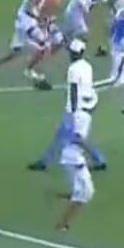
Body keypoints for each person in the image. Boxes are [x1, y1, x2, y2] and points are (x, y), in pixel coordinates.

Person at [29, 39, 108, 172]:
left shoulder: (73, 69)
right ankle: (44, 161)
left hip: (78, 107)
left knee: (78, 138)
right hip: (88, 103)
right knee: (62, 135)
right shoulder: (87, 65)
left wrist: (72, 111)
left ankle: (99, 159)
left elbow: (73, 90)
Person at [55, 42, 98, 231]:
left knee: (84, 193)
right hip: (74, 159)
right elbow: (78, 138)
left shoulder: (74, 68)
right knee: (85, 194)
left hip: (73, 158)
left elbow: (73, 89)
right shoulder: (82, 116)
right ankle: (62, 223)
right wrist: (93, 154)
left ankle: (64, 219)